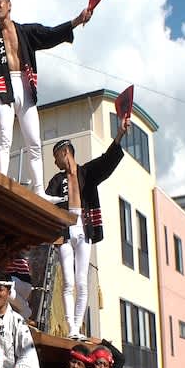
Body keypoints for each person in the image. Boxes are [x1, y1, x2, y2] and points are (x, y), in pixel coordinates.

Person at [0, 0, 93, 194]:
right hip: (4, 90)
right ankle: (0, 182)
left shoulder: (25, 32)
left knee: (34, 142)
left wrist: (77, 20)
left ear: (9, 5)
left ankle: (39, 191)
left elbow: (50, 34)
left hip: (25, 87)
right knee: (4, 139)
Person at [45, 116, 130, 338]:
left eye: (56, 157)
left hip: (84, 227)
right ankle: (71, 328)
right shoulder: (56, 180)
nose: (55, 163)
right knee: (68, 281)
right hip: (65, 230)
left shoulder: (87, 173)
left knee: (82, 281)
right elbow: (47, 203)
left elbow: (107, 160)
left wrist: (119, 134)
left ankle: (77, 327)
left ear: (65, 153)